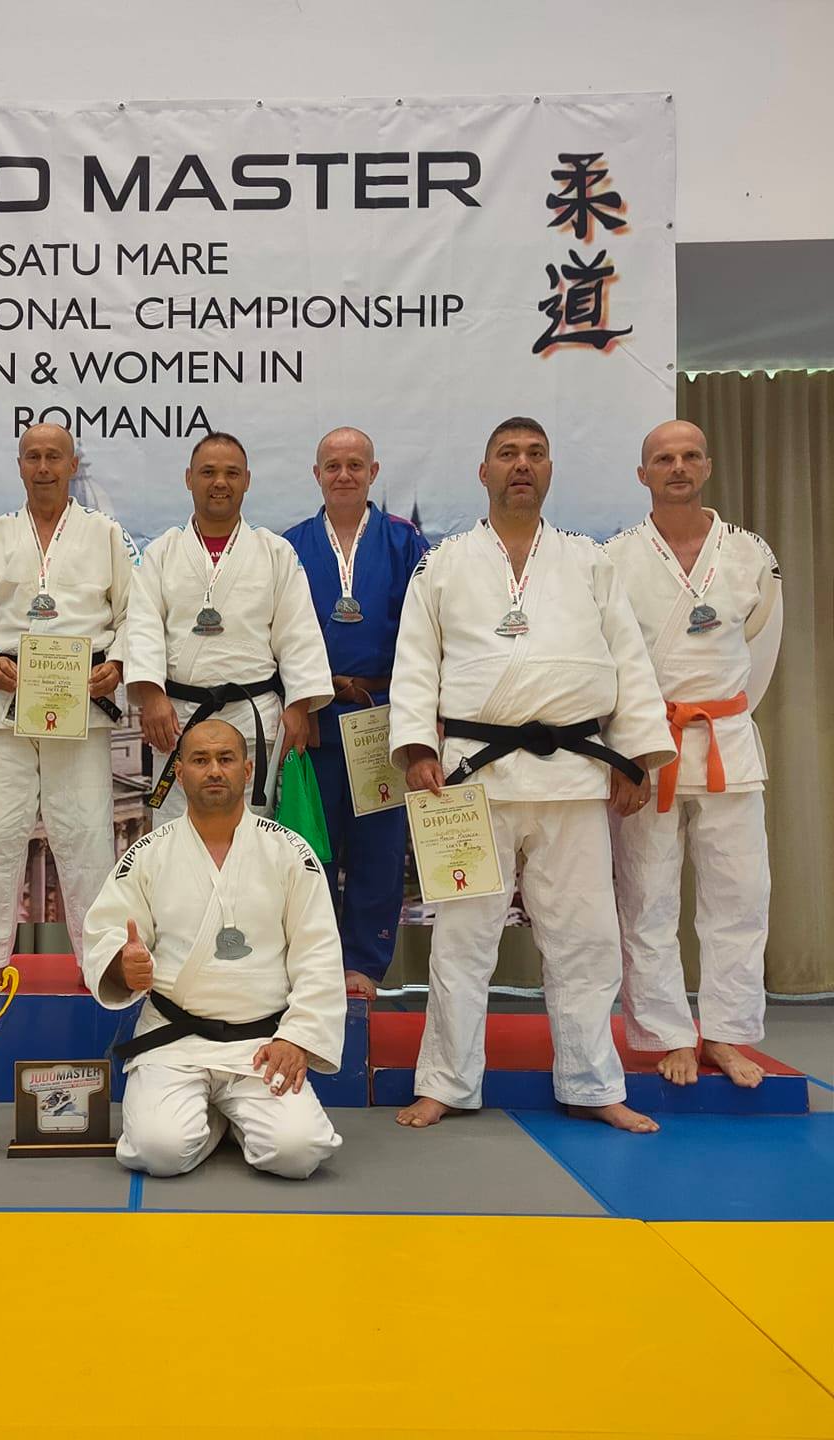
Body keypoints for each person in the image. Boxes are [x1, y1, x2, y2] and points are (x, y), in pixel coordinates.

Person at [388, 416, 675, 1132]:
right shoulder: (443, 564)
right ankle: (447, 1081)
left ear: (549, 471)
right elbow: (416, 660)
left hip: (574, 775)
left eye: (535, 454)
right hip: (470, 780)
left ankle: (592, 1082)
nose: (522, 464)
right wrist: (417, 747)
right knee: (462, 940)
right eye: (508, 454)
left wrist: (636, 754)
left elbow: (630, 659)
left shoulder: (589, 562)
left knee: (586, 938)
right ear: (483, 471)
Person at [82, 719, 345, 1179]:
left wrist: (297, 1037)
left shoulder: (289, 851)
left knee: (298, 1152)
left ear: (248, 769)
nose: (214, 771)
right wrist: (123, 967)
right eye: (200, 760)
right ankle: (216, 1120)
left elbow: (318, 952)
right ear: (180, 772)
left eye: (226, 759)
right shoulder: (148, 853)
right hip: (174, 1041)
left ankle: (220, 1116)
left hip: (262, 1043)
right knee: (160, 1152)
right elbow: (108, 932)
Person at [605, 420, 783, 1087]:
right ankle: (667, 1033)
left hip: (727, 738)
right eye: (663, 459)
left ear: (707, 467)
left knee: (741, 892)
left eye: (688, 457)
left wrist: (728, 710)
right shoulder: (617, 557)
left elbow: (761, 648)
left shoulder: (749, 553)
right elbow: (611, 664)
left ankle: (728, 1032)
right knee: (646, 894)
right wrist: (627, 751)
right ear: (642, 474)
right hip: (649, 745)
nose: (676, 467)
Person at [0, 423, 137, 977]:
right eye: (34, 457)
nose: (45, 467)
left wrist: (118, 664)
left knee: (88, 839)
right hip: (9, 705)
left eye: (55, 457)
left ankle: (99, 965)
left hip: (82, 705)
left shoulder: (106, 535)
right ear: (20, 466)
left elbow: (136, 613)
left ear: (73, 465)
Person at [283, 427, 428, 998]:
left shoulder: (404, 542)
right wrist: (296, 703)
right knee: (310, 844)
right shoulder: (291, 545)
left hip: (382, 713)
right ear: (317, 474)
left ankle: (364, 964)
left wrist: (422, 717)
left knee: (379, 847)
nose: (343, 475)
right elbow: (278, 633)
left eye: (355, 465)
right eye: (333, 465)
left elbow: (425, 632)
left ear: (373, 471)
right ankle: (313, 961)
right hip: (316, 715)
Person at [125, 432, 332, 820]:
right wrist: (151, 696)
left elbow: (298, 633)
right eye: (208, 472)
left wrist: (299, 706)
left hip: (253, 724)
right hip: (179, 724)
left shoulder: (275, 552)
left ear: (247, 480)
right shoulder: (161, 553)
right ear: (189, 478)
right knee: (178, 838)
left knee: (253, 839)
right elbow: (142, 628)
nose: (220, 482)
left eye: (231, 473)